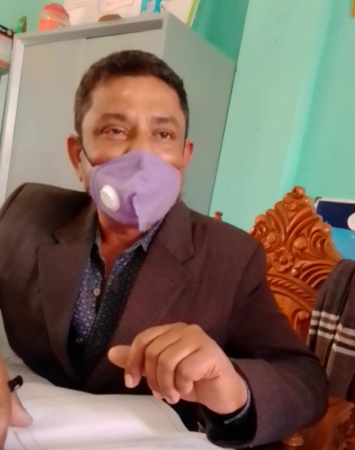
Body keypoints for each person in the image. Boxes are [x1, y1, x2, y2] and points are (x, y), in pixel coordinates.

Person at [0, 50, 327, 447]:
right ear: (77, 157)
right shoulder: (26, 211)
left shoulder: (232, 258)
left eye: (163, 135)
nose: (142, 156)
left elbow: (306, 381)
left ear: (184, 159)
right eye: (115, 130)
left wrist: (235, 391)